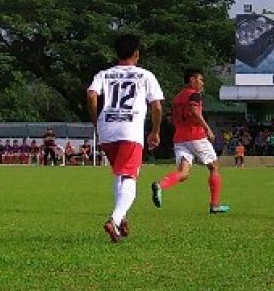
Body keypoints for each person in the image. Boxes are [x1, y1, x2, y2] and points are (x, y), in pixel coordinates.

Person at [86, 34, 164, 242]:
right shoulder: (145, 75)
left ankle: (121, 220)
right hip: (130, 129)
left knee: (120, 174)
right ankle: (115, 218)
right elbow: (156, 106)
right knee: (130, 177)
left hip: (107, 128)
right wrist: (155, 131)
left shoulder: (104, 74)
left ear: (116, 53)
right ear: (137, 53)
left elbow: (91, 95)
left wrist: (96, 122)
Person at [150, 70, 230, 214]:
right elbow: (194, 111)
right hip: (196, 136)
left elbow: (174, 119)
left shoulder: (177, 98)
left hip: (180, 139)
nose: (202, 83)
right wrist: (208, 129)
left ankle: (161, 185)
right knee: (214, 167)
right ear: (192, 80)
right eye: (200, 79)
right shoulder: (194, 94)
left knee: (183, 172)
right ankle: (214, 204)